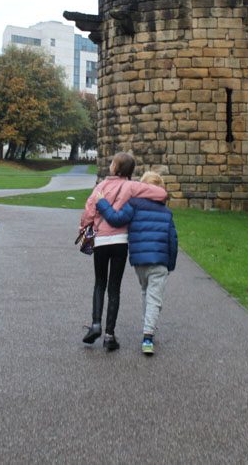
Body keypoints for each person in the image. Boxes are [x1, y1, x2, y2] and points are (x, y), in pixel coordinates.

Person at [79, 152, 167, 351]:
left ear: (114, 168)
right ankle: (109, 335)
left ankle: (95, 324)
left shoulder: (100, 187)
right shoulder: (132, 187)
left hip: (101, 240)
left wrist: (84, 229)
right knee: (114, 288)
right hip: (120, 241)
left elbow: (88, 213)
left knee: (99, 283)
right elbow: (161, 194)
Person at [95, 171, 177, 356]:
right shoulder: (166, 212)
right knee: (154, 298)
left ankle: (148, 327)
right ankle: (148, 335)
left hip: (140, 261)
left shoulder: (134, 205)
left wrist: (102, 204)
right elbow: (173, 239)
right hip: (160, 260)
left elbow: (116, 219)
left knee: (146, 292)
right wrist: (170, 264)